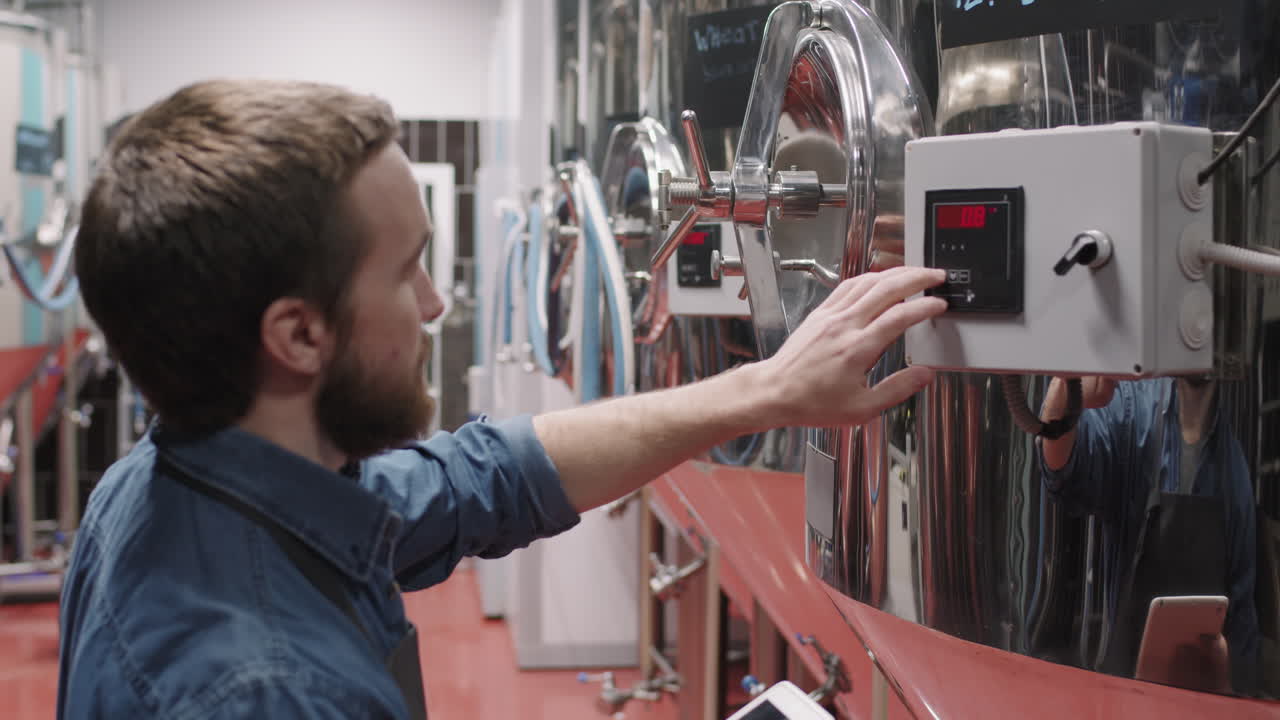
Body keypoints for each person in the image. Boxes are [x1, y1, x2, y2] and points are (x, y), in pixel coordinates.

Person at [56, 79, 949, 719]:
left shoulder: (170, 483)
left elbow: (483, 479)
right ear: (297, 336)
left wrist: (766, 390)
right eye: (409, 273)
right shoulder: (270, 691)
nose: (438, 306)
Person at [1038, 375, 1259, 694]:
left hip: (1201, 701)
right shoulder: (1129, 406)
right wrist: (1066, 384)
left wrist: (1228, 681)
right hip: (1116, 690)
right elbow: (1062, 475)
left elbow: (1242, 618)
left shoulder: (1233, 461)